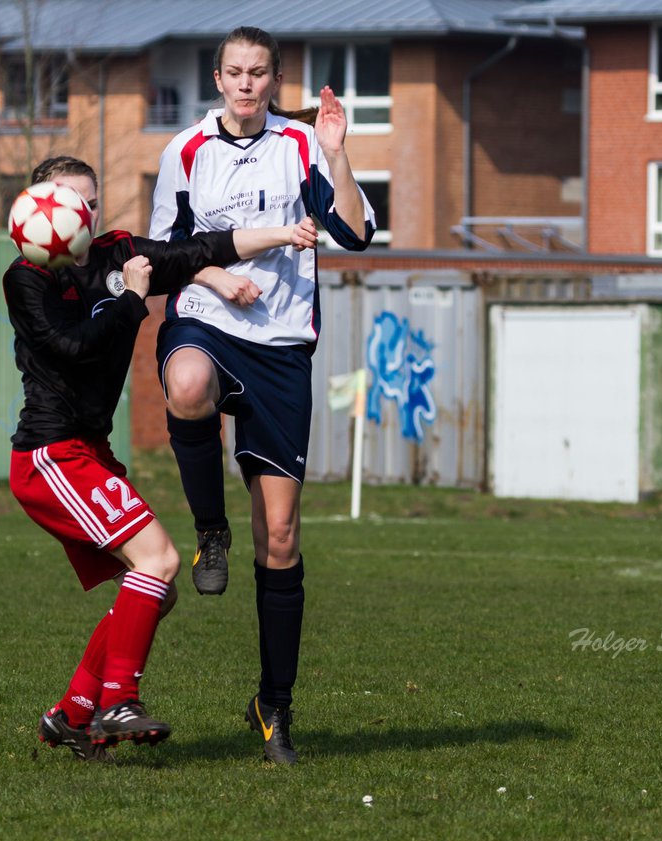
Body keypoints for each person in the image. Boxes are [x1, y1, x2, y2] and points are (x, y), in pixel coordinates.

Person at [4, 155, 317, 760]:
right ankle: (118, 699)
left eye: (89, 201)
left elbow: (205, 247)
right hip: (49, 454)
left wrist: (284, 233)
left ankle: (71, 714)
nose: (79, 212)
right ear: (34, 208)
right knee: (161, 559)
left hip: (87, 451)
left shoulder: (119, 251)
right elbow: (73, 348)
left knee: (156, 589)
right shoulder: (27, 278)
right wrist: (133, 297)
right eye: (65, 199)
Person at [150, 27, 375, 764]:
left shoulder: (303, 147)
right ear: (217, 78)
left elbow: (354, 231)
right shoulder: (184, 152)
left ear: (275, 81)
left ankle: (273, 704)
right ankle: (209, 531)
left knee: (280, 537)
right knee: (185, 385)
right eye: (234, 73)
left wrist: (338, 152)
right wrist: (217, 279)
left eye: (259, 74)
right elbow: (164, 255)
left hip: (281, 348)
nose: (246, 85)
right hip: (207, 320)